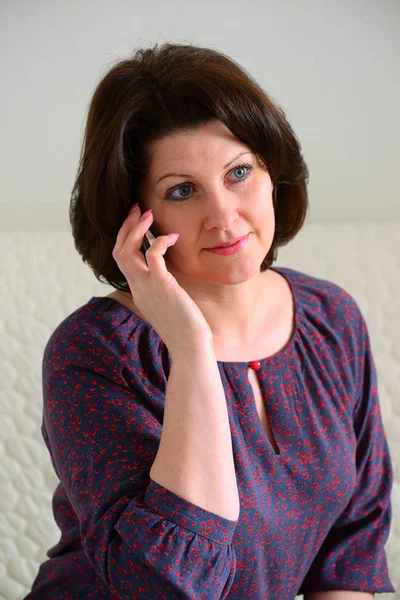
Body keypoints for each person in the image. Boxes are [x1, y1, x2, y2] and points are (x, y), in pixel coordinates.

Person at [25, 42, 395, 599]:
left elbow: (351, 551)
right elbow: (167, 585)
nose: (224, 216)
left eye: (239, 172)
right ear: (136, 217)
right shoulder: (92, 351)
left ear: (274, 174)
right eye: (182, 191)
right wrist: (191, 348)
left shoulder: (330, 318)